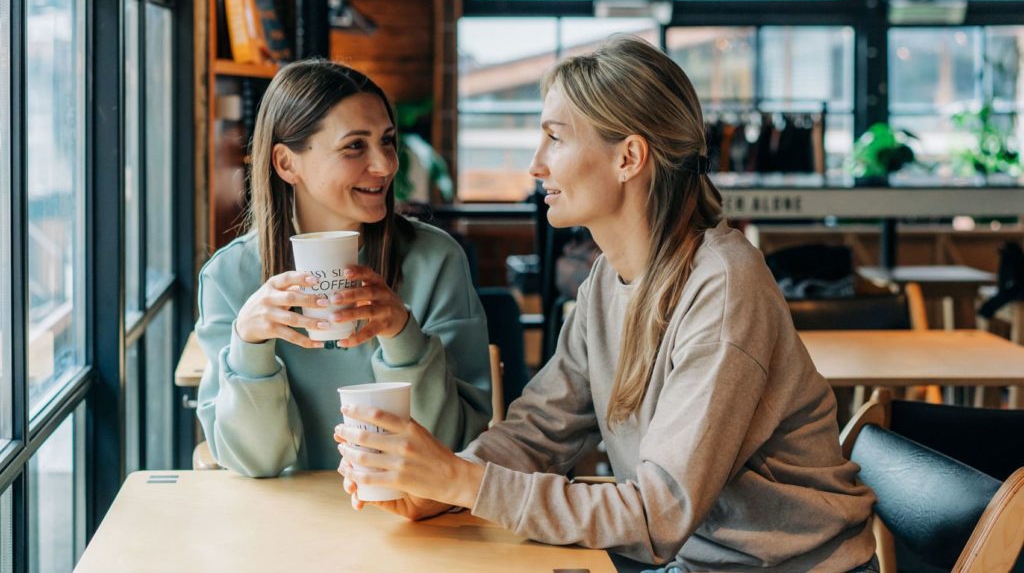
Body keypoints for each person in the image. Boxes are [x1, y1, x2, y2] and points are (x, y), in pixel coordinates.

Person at [333, 37, 878, 571]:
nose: (536, 165)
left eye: (555, 138)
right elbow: (540, 428)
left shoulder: (723, 287)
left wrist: (461, 482)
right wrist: (441, 485)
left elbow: (657, 517)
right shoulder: (606, 281)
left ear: (629, 157)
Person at [195, 59, 491, 478]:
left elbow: (451, 446)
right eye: (355, 146)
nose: (386, 165)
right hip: (284, 526)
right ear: (286, 163)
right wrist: (250, 347)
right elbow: (256, 464)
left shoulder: (435, 260)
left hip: (412, 521)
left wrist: (402, 335)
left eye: (387, 141)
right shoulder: (229, 277)